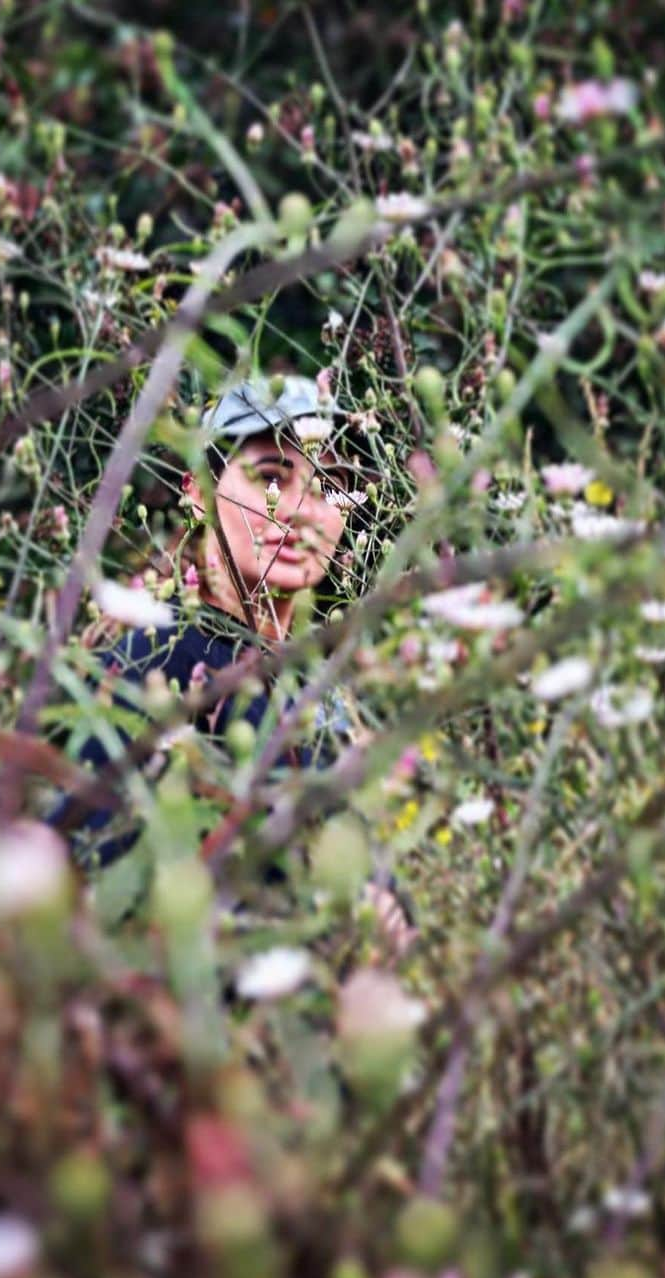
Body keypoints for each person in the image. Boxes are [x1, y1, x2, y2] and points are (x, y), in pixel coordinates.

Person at [48, 374, 412, 950]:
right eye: (271, 478)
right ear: (197, 492)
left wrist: (387, 911)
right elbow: (86, 892)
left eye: (327, 486)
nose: (297, 512)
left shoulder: (321, 692)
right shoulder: (151, 663)